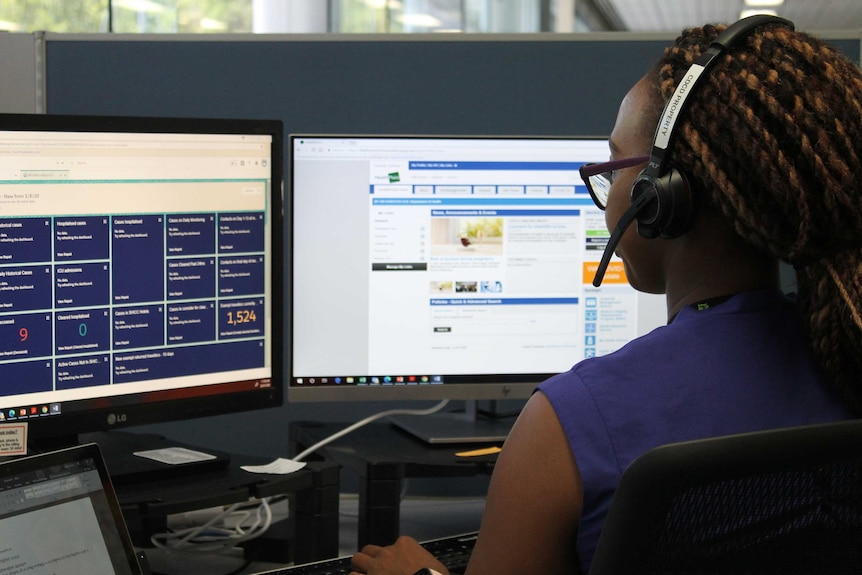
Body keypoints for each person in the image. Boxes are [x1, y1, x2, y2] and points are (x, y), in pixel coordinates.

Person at [350, 16, 862, 575]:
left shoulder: (570, 424)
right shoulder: (846, 364)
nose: (608, 193)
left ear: (662, 197)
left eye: (615, 165)